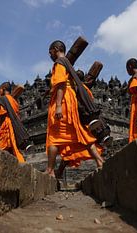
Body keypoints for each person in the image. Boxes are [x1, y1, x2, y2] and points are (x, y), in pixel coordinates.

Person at [45, 40, 104, 177]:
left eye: (50, 52)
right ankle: (99, 160)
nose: (50, 55)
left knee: (54, 136)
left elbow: (60, 84)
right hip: (71, 102)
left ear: (55, 49)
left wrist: (58, 106)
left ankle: (50, 170)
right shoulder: (67, 63)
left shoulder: (59, 63)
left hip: (63, 101)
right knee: (80, 133)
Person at [0, 82, 25, 163]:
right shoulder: (13, 100)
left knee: (1, 147)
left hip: (6, 125)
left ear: (3, 89)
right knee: (12, 147)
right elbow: (21, 87)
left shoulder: (3, 99)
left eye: (0, 89)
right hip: (15, 125)